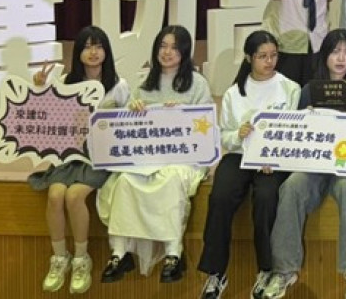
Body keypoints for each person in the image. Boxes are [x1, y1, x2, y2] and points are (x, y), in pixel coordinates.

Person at [261, 29, 346, 299]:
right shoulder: (310, 90)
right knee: (292, 186)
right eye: (335, 52)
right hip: (318, 159)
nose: (341, 58)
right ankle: (284, 271)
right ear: (325, 55)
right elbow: (298, 133)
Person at [97, 25, 213, 284]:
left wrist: (183, 114)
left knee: (171, 179)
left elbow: (205, 129)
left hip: (183, 157)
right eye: (163, 46)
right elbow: (127, 128)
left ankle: (174, 253)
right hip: (147, 158)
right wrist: (133, 109)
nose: (167, 52)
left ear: (185, 52)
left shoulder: (198, 84)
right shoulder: (143, 83)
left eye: (174, 47)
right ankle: (119, 253)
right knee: (125, 181)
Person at [197, 30, 301, 299]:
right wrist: (238, 134)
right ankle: (215, 272)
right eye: (262, 56)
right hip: (240, 156)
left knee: (266, 196)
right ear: (249, 58)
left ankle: (266, 269)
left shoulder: (290, 88)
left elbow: (294, 132)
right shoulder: (234, 93)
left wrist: (273, 156)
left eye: (273, 55)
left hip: (273, 160)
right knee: (220, 196)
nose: (269, 61)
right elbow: (225, 136)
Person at [29, 26, 130, 295]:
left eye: (98, 46)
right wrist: (40, 87)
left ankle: (81, 259)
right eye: (87, 47)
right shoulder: (66, 81)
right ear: (78, 53)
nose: (93, 52)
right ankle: (59, 257)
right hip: (70, 154)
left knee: (74, 196)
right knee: (55, 194)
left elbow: (128, 126)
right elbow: (47, 115)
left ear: (106, 51)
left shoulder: (119, 86)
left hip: (101, 157)